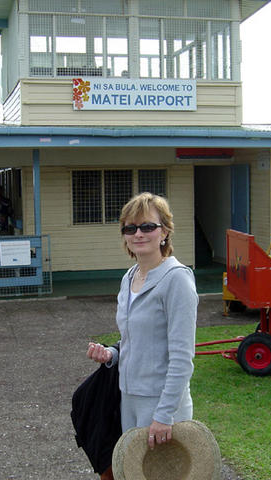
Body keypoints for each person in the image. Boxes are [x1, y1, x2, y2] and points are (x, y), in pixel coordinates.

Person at [86, 192, 198, 480]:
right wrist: (112, 354)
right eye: (130, 228)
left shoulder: (177, 280)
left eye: (147, 226)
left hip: (161, 403)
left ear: (165, 232)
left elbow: (182, 359)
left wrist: (164, 415)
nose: (138, 234)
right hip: (129, 399)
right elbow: (133, 340)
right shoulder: (130, 277)